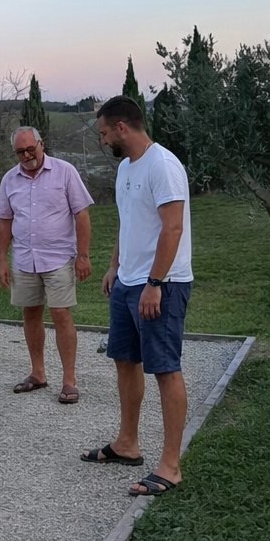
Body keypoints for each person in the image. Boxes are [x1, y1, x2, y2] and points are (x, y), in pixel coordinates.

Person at [81, 96, 193, 497]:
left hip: (162, 284)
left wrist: (155, 283)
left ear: (121, 128)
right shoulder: (127, 168)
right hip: (128, 281)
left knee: (165, 369)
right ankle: (127, 444)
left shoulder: (162, 165)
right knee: (124, 361)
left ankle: (170, 466)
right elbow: (128, 223)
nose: (103, 140)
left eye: (104, 133)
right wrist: (115, 266)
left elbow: (173, 229)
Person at [0, 127, 94, 403]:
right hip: (25, 259)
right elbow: (4, 221)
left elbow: (81, 214)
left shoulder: (65, 171)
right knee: (30, 313)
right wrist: (2, 260)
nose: (27, 155)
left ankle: (69, 381)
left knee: (61, 313)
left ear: (41, 144)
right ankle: (37, 373)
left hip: (59, 257)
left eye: (31, 149)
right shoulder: (9, 179)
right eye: (20, 151)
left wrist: (83, 255)